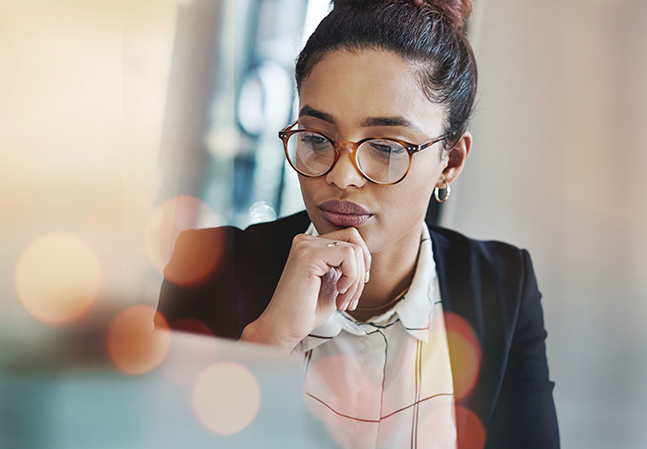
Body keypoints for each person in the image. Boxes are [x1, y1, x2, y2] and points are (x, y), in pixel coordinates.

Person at [158, 0, 560, 447]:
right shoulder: (211, 267)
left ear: (451, 161)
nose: (342, 175)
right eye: (316, 138)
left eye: (387, 147)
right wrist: (266, 343)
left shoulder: (501, 285)